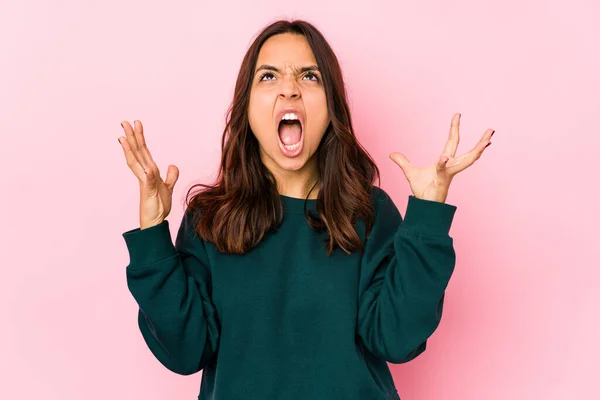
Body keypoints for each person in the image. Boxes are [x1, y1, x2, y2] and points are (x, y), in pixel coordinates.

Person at [117, 19, 494, 400]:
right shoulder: (209, 218)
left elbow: (398, 339)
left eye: (309, 76)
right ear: (246, 106)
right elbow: (184, 350)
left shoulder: (369, 213)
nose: (289, 90)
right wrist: (153, 235)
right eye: (268, 77)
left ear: (331, 105)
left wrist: (426, 218)